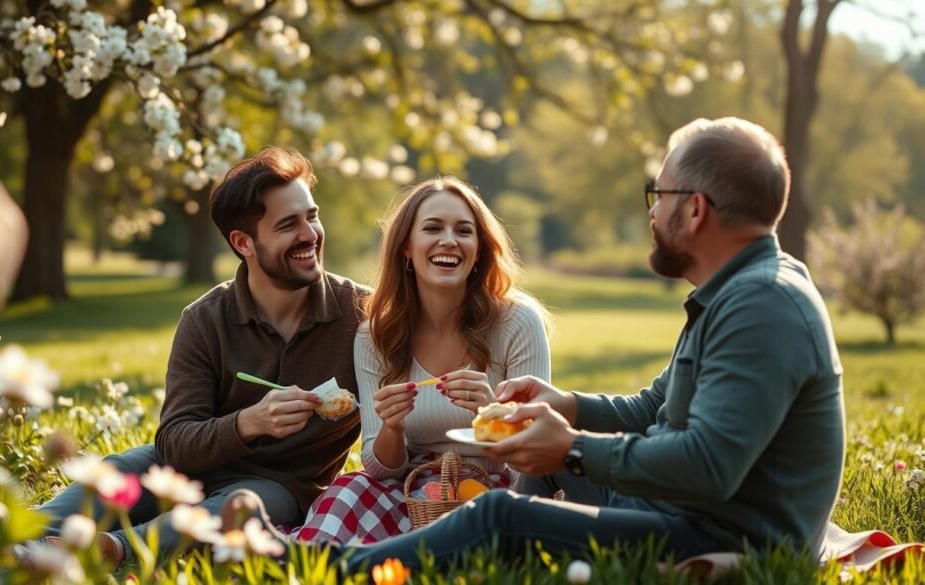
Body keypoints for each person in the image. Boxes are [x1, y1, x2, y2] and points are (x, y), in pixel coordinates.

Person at [231, 117, 845, 571]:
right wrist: (566, 404)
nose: (651, 214)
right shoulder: (735, 294)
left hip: (729, 534)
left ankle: (322, 572)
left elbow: (709, 467)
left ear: (696, 211)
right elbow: (652, 409)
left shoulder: (762, 306)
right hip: (685, 505)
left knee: (501, 514)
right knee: (524, 495)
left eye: (659, 198)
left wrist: (571, 451)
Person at [35, 147, 367, 565]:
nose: (310, 234)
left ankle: (114, 549)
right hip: (188, 469)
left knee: (245, 506)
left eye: (312, 216)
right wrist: (250, 423)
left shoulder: (362, 315)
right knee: (121, 466)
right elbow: (174, 442)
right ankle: (8, 536)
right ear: (244, 242)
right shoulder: (205, 320)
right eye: (289, 224)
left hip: (280, 488)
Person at [292, 177, 550, 544]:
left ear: (479, 250)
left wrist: (493, 412)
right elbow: (380, 469)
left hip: (489, 489)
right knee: (344, 496)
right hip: (409, 492)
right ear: (406, 248)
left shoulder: (517, 322)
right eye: (432, 228)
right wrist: (392, 428)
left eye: (464, 231)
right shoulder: (375, 336)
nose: (449, 240)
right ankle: (302, 561)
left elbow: (535, 453)